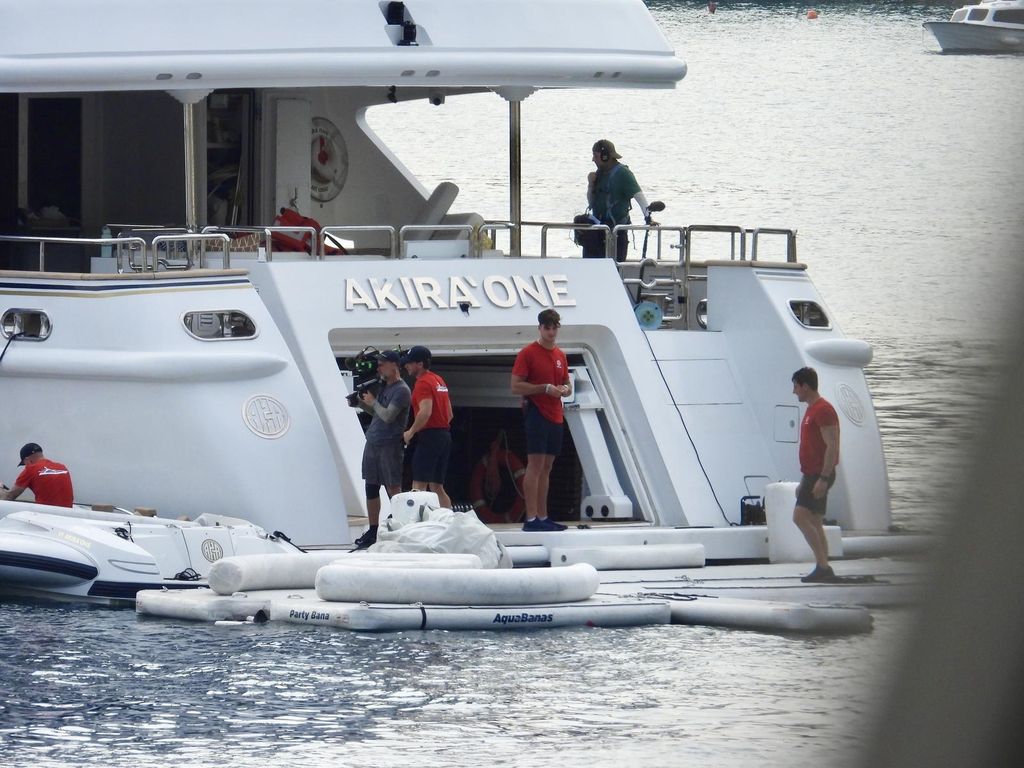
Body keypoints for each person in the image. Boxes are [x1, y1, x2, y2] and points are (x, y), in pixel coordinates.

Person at [511, 309, 573, 532]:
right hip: (537, 411)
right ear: (540, 328)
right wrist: (544, 388)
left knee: (547, 466)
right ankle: (531, 518)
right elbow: (515, 386)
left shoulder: (560, 355)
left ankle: (543, 515)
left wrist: (565, 389)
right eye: (547, 327)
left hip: (555, 413)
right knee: (535, 465)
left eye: (555, 327)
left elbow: (567, 382)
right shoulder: (528, 353)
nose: (551, 331)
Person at [352, 350, 411, 550]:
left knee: (393, 487)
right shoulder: (385, 387)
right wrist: (359, 403)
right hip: (373, 442)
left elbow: (388, 416)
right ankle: (373, 529)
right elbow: (376, 413)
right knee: (371, 486)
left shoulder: (402, 390)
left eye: (382, 364)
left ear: (394, 365)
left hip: (389, 445)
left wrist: (373, 402)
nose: (378, 368)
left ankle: (400, 527)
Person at [791, 367, 841, 583]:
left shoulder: (823, 410)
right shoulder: (811, 409)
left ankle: (822, 566)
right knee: (815, 521)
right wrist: (805, 480)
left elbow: (832, 445)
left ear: (806, 386)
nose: (794, 392)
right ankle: (824, 567)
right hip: (811, 474)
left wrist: (823, 478)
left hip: (820, 474)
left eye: (795, 386)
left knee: (799, 517)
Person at [402, 345, 453, 509]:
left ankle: (418, 528)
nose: (406, 366)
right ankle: (449, 522)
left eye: (409, 363)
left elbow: (425, 412)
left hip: (430, 436)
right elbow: (450, 414)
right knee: (438, 486)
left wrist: (410, 432)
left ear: (420, 364)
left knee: (419, 484)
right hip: (445, 435)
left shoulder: (423, 383)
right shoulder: (439, 380)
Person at [584, 139, 653, 261]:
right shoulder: (599, 174)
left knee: (614, 269)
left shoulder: (623, 173)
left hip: (616, 233)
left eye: (595, 155)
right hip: (597, 231)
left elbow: (639, 196)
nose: (593, 159)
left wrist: (648, 217)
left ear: (605, 156)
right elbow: (591, 203)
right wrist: (590, 185)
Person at [2, 442, 74, 508]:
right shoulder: (62, 467)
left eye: (24, 463)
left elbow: (9, 497)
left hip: (46, 516)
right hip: (68, 515)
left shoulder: (30, 469)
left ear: (27, 459)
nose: (25, 466)